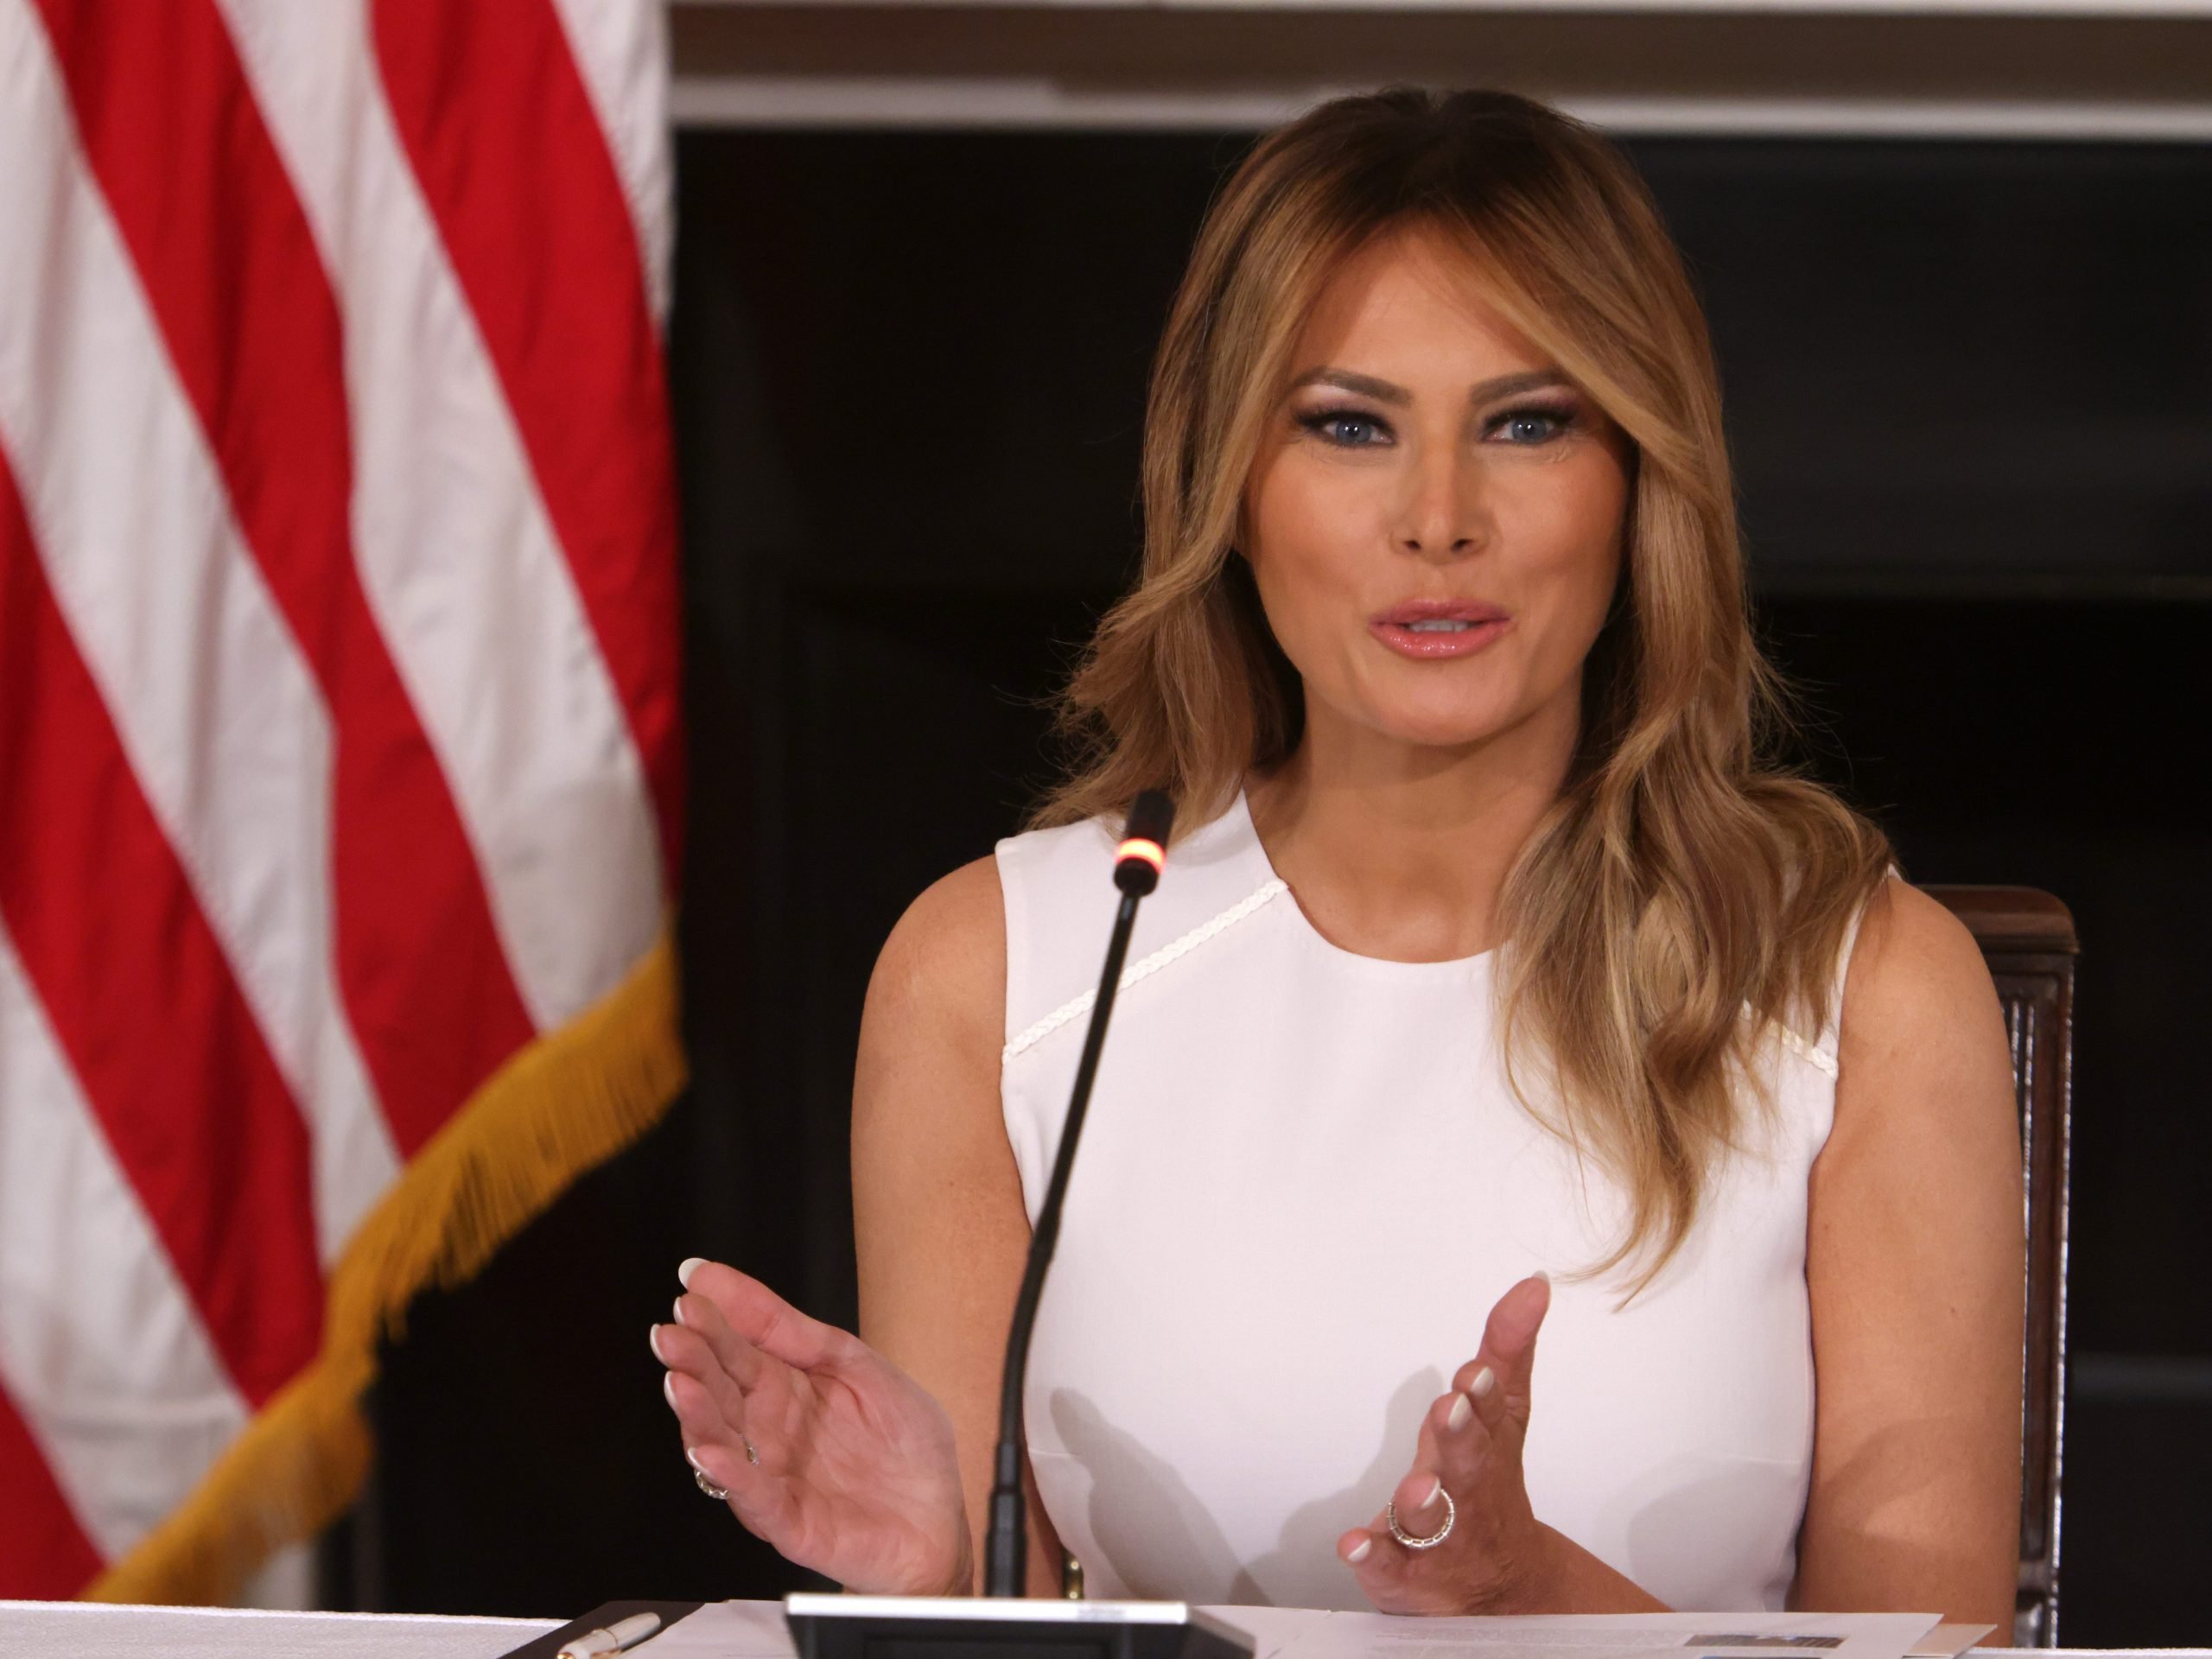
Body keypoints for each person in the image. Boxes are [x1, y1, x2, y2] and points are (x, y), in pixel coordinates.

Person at [652, 87, 2024, 1623]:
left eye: (1528, 422)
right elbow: (1006, 1639)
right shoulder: (1000, 973)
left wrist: (1539, 1604)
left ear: (1639, 479)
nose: (1439, 519)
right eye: (1350, 425)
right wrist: (939, 1593)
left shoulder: (1875, 988)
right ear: (1231, 485)